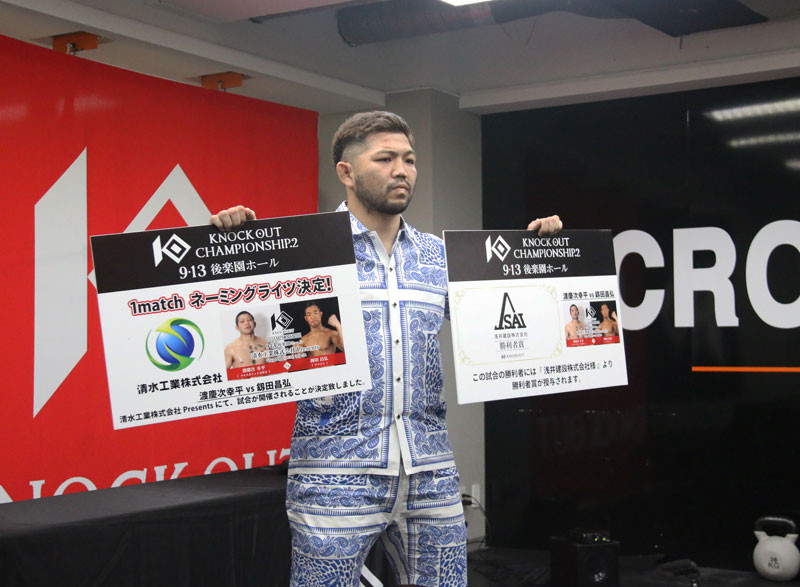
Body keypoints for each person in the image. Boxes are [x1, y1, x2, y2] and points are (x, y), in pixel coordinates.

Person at [210, 111, 562, 587]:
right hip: (334, 472)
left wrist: (540, 257)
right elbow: (245, 330)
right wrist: (230, 247)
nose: (402, 170)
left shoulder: (440, 257)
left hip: (429, 468)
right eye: (386, 159)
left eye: (409, 160)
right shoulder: (304, 251)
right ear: (346, 172)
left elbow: (514, 325)